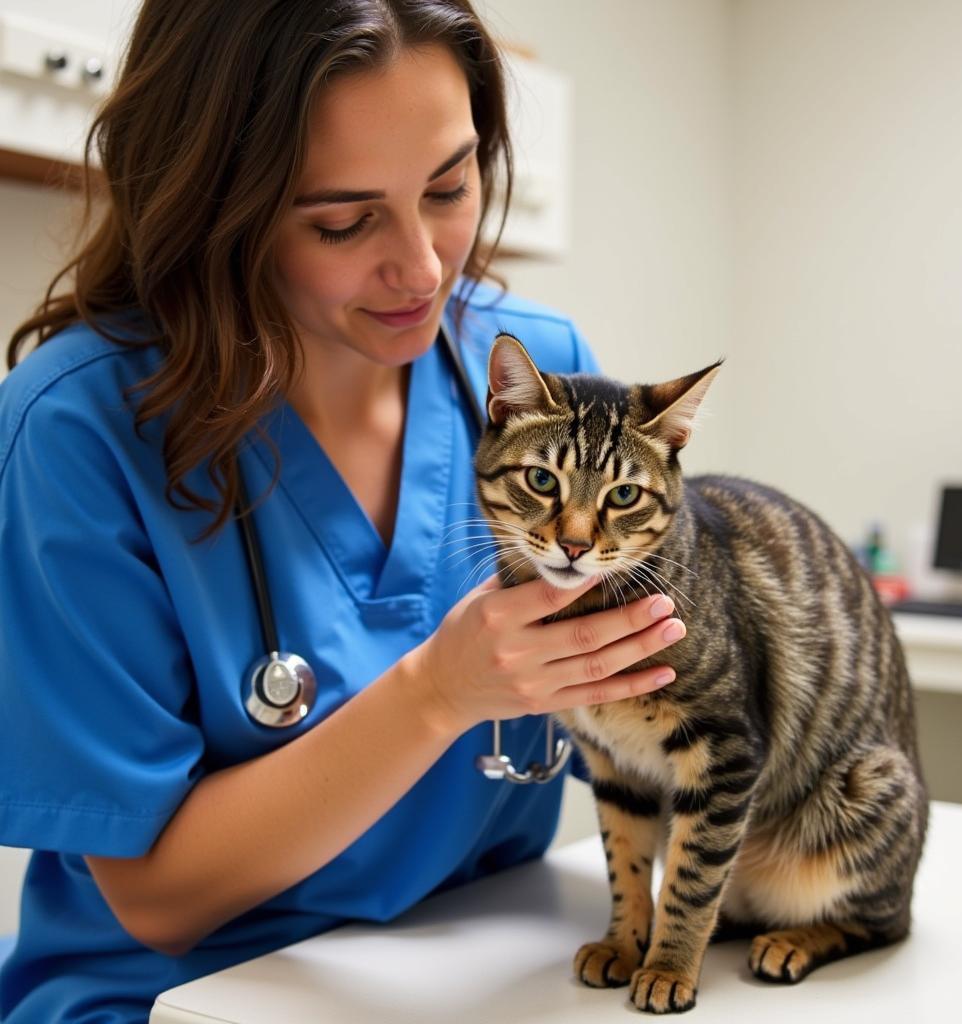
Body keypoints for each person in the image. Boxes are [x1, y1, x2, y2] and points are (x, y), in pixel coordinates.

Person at [0, 2, 685, 1020]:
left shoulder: (535, 374)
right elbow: (153, 898)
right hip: (178, 996)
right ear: (214, 203)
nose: (422, 266)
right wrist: (435, 694)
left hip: (475, 966)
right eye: (341, 219)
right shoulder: (78, 429)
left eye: (449, 186)